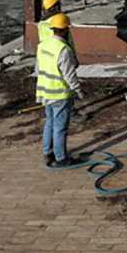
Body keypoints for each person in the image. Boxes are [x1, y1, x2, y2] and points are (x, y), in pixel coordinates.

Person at [36, 12, 83, 168]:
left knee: (49, 122)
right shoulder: (63, 50)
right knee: (60, 127)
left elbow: (38, 68)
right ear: (64, 30)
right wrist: (79, 91)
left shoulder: (42, 45)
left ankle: (47, 152)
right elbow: (69, 75)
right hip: (60, 94)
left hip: (45, 92)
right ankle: (61, 158)